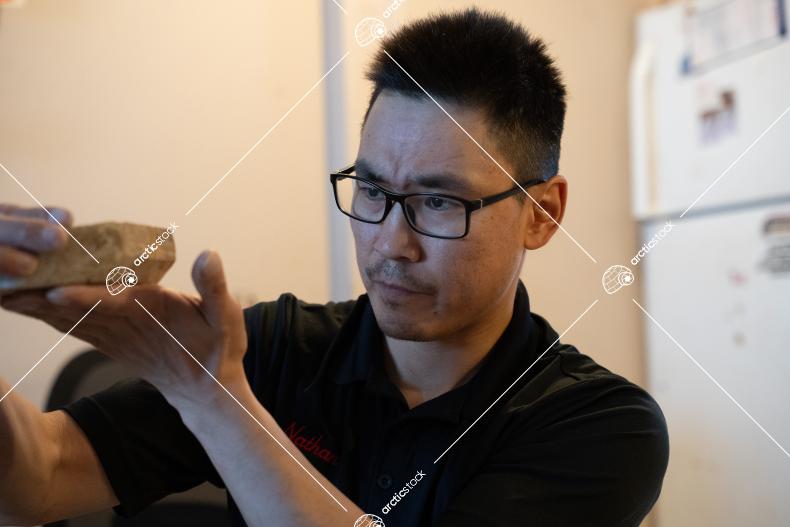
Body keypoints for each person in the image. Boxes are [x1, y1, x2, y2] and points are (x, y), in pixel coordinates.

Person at [0, 7, 669, 527]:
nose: (391, 244)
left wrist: (213, 399)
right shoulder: (275, 349)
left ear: (541, 214)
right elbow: (41, 478)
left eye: (438, 202)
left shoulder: (600, 426)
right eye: (372, 190)